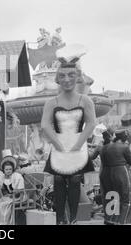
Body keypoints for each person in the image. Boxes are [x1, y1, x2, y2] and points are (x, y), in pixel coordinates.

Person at [40, 56, 97, 225]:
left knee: (74, 180)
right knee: (57, 180)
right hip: (59, 147)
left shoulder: (85, 100)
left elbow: (92, 122)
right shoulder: (51, 102)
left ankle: (73, 219)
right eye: (63, 75)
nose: (67, 79)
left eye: (71, 75)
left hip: (77, 147)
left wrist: (79, 144)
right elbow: (45, 124)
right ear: (58, 78)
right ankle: (59, 220)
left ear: (77, 76)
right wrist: (57, 143)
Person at [99, 129, 131, 225]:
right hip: (120, 173)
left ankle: (110, 220)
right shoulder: (124, 147)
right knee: (126, 199)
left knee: (110, 197)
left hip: (105, 174)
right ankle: (122, 222)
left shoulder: (103, 148)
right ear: (125, 137)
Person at [0, 155, 25, 225]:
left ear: (13, 169)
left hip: (17, 197)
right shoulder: (2, 177)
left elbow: (21, 189)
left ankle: (7, 223)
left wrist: (14, 193)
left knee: (6, 205)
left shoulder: (17, 176)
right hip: (7, 197)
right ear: (3, 170)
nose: (8, 171)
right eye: (6, 169)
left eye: (10, 169)